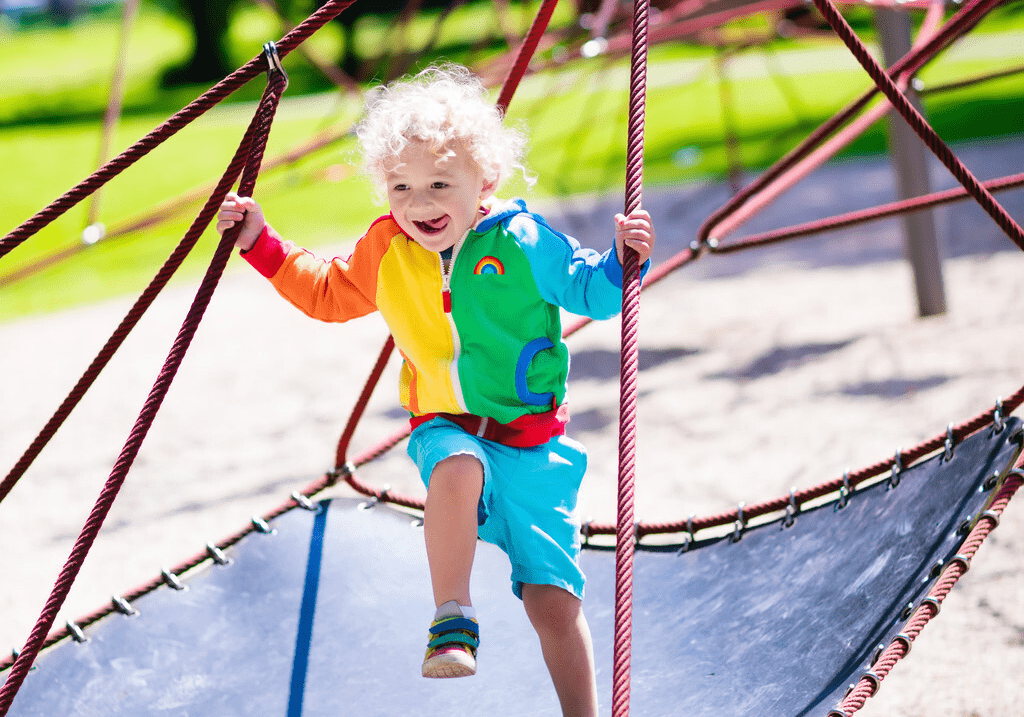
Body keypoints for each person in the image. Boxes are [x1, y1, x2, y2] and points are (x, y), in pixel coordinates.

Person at [217, 63, 655, 717]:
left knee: (554, 603)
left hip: (534, 445)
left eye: (439, 184)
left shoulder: (522, 242)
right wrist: (262, 244)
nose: (419, 204)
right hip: (445, 422)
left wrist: (625, 259)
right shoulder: (387, 248)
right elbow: (330, 293)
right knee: (455, 462)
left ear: (486, 182)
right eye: (401, 187)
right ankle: (453, 615)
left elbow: (588, 288)